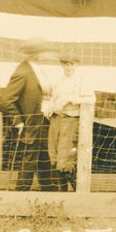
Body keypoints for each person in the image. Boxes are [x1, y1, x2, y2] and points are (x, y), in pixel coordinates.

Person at [0, 38, 60, 192]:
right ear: (35, 55)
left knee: (45, 160)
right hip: (30, 126)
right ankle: (20, 197)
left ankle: (50, 196)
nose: (46, 55)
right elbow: (6, 100)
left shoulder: (39, 70)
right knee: (29, 162)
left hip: (44, 123)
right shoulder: (23, 71)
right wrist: (18, 121)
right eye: (43, 53)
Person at [47, 53, 86, 190]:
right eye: (66, 64)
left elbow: (90, 100)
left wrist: (71, 99)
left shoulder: (81, 81)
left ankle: (78, 193)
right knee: (54, 156)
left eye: (71, 64)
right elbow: (53, 99)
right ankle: (60, 195)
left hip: (70, 120)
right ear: (62, 65)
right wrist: (50, 107)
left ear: (76, 65)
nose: (68, 67)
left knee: (66, 160)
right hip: (56, 119)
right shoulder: (58, 81)